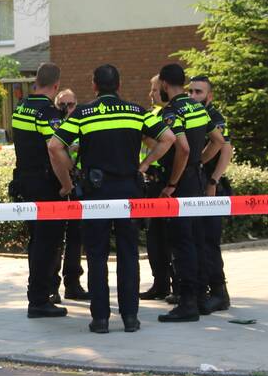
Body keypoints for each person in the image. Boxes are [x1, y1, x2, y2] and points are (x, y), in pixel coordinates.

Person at [49, 64, 176, 333]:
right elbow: (168, 138)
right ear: (119, 86)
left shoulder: (83, 113)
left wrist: (70, 175)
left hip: (96, 195)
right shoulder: (136, 111)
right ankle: (130, 318)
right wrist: (144, 165)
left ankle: (101, 319)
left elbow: (54, 145)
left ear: (94, 86)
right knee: (129, 254)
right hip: (129, 192)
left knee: (97, 256)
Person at [155, 64, 225, 323]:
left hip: (182, 184)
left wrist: (171, 184)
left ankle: (187, 304)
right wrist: (200, 162)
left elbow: (181, 148)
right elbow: (217, 141)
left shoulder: (172, 111)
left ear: (163, 83)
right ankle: (198, 298)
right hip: (197, 178)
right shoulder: (197, 107)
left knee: (182, 242)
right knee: (196, 240)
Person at [11, 62, 67, 318]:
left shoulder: (21, 108)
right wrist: (67, 182)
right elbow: (54, 151)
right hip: (46, 186)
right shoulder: (48, 112)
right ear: (56, 86)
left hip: (26, 183)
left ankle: (36, 295)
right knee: (47, 244)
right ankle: (39, 300)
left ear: (36, 82)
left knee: (37, 242)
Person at [189, 75, 234, 314]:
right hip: (197, 185)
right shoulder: (193, 114)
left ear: (209, 95)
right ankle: (200, 290)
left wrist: (212, 179)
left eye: (199, 92)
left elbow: (225, 149)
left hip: (210, 186)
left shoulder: (214, 117)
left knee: (209, 241)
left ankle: (219, 293)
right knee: (197, 240)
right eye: (191, 91)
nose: (193, 96)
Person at [140, 74, 175, 301]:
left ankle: (176, 284)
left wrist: (145, 142)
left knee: (170, 237)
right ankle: (160, 283)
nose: (151, 94)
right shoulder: (154, 114)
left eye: (153, 90)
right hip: (151, 182)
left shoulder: (171, 116)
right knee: (154, 237)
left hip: (166, 181)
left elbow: (169, 146)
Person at [54, 89, 90, 302]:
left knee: (76, 237)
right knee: (56, 238)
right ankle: (53, 286)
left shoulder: (81, 124)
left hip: (78, 186)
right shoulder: (55, 125)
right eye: (63, 105)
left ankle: (73, 283)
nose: (67, 108)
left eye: (71, 104)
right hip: (58, 187)